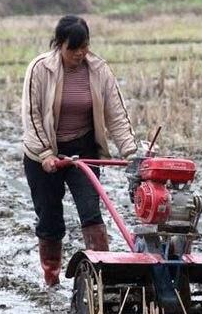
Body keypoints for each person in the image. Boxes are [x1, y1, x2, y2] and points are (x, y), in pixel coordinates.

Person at [21, 15, 137, 287]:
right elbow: (32, 115)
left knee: (91, 211)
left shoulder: (99, 70)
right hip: (43, 155)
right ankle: (51, 278)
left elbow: (116, 115)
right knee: (50, 218)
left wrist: (131, 152)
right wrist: (45, 153)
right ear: (60, 45)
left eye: (84, 46)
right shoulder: (40, 69)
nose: (81, 53)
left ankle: (103, 274)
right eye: (74, 48)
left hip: (82, 149)